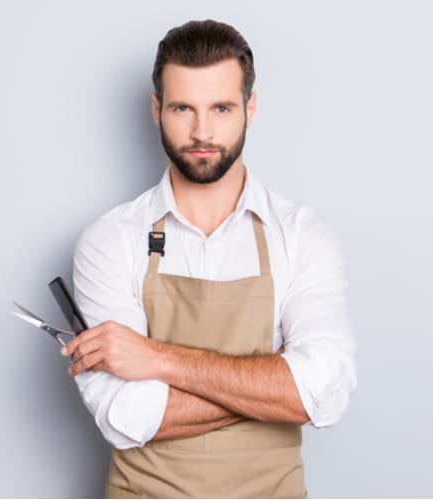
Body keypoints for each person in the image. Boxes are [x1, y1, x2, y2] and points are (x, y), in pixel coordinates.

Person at [61, 19, 357, 499]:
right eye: (183, 108)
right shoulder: (109, 240)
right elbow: (127, 415)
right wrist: (273, 383)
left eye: (221, 107)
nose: (202, 132)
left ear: (250, 107)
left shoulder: (301, 234)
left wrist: (156, 358)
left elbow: (324, 392)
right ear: (157, 110)